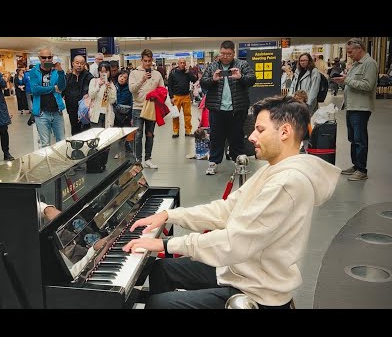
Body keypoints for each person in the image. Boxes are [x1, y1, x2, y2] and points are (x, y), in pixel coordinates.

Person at [122, 95, 341, 309]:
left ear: (285, 132)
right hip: (244, 270)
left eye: (260, 130)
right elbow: (226, 210)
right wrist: (170, 215)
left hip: (259, 291)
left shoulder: (287, 182)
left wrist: (167, 244)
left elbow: (234, 243)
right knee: (162, 270)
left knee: (159, 304)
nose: (251, 136)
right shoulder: (275, 169)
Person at [200, 40, 256, 176]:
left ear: (233, 53)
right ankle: (213, 163)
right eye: (223, 54)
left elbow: (252, 80)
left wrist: (240, 77)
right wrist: (212, 79)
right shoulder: (212, 66)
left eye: (228, 54)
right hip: (217, 109)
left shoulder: (242, 65)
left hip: (237, 109)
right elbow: (203, 83)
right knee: (216, 137)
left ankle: (239, 163)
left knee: (236, 137)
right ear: (219, 52)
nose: (225, 56)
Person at [332, 37, 378, 181]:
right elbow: (352, 83)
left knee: (360, 139)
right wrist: (344, 79)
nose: (349, 54)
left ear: (360, 48)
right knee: (353, 138)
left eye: (350, 51)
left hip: (361, 108)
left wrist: (347, 80)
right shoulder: (356, 64)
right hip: (351, 106)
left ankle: (362, 170)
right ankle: (356, 165)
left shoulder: (369, 64)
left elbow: (368, 85)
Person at [128, 49, 165, 169]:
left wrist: (157, 95)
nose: (147, 63)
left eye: (149, 61)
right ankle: (138, 159)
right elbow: (132, 89)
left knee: (150, 134)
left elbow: (163, 90)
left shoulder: (157, 74)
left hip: (152, 108)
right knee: (138, 135)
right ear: (141, 60)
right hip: (138, 107)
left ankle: (148, 158)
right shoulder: (134, 73)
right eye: (145, 61)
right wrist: (142, 79)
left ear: (152, 60)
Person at [29, 48, 66, 148]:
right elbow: (35, 89)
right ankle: (48, 164)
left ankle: (61, 163)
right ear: (39, 58)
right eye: (43, 57)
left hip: (57, 112)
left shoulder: (56, 71)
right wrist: (53, 88)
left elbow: (62, 87)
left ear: (52, 57)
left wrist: (61, 72)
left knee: (61, 142)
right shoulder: (33, 71)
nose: (46, 60)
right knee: (45, 144)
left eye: (49, 57)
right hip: (42, 113)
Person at [63, 54, 93, 135]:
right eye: (77, 63)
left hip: (85, 109)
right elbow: (62, 91)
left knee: (86, 130)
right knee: (74, 129)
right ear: (73, 63)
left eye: (82, 63)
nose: (79, 65)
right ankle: (76, 146)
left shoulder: (88, 76)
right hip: (71, 108)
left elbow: (93, 90)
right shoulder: (67, 77)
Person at [167, 57, 197, 138]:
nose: (183, 64)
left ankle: (188, 131)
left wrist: (189, 72)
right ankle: (176, 131)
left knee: (188, 115)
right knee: (176, 115)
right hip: (176, 97)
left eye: (184, 63)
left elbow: (194, 79)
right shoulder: (173, 72)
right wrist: (171, 97)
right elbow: (169, 86)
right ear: (178, 63)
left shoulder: (187, 72)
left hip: (186, 96)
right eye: (181, 63)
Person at [88, 61, 117, 128]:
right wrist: (98, 86)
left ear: (110, 72)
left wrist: (109, 89)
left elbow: (112, 101)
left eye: (106, 72)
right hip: (95, 114)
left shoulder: (112, 85)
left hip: (107, 114)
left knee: (106, 136)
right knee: (96, 136)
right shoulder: (94, 81)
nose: (103, 74)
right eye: (101, 72)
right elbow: (91, 95)